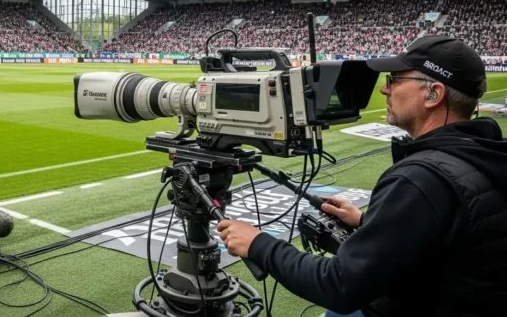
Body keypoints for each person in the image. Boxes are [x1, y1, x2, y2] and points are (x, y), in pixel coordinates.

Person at [217, 35, 507, 316]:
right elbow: (448, 233)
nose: (385, 90)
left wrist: (258, 243)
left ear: (434, 94)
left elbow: (339, 285)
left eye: (394, 80)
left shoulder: (422, 179)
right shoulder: (482, 154)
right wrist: (369, 222)